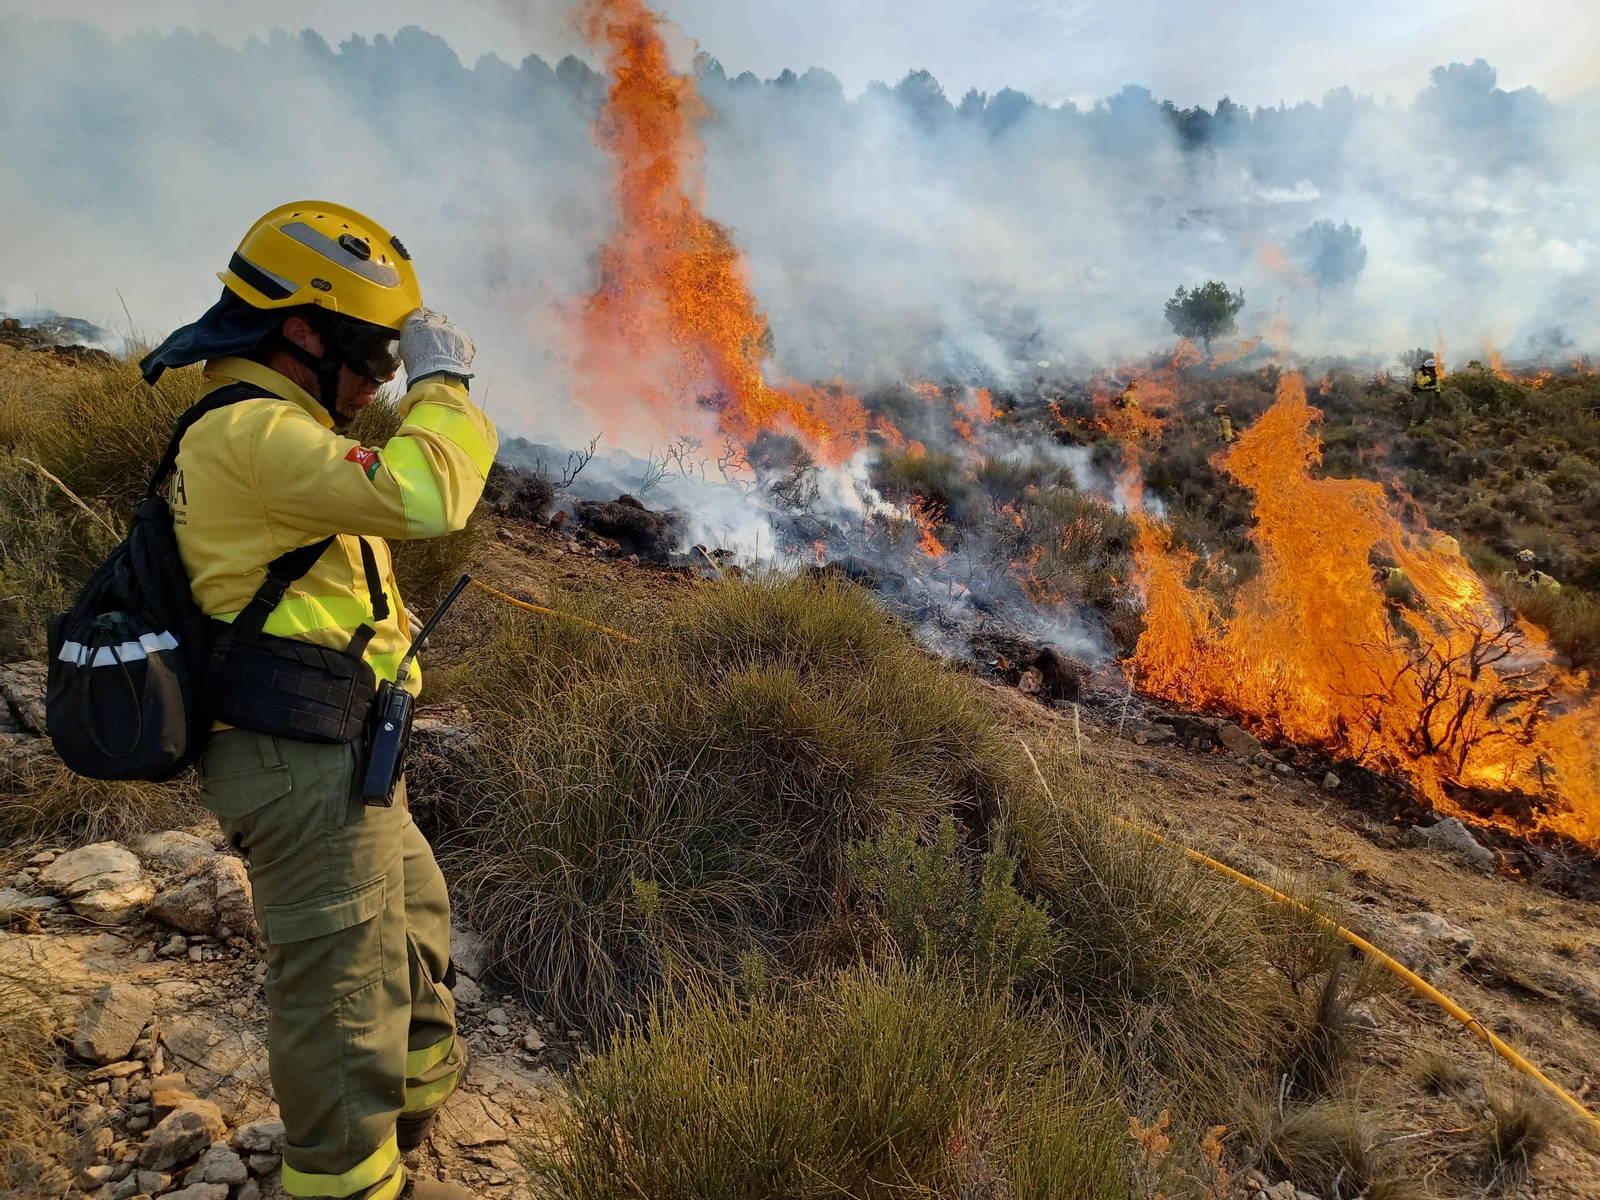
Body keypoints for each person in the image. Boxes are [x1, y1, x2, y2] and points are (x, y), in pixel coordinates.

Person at [140, 202, 498, 1200]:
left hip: (338, 744)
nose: (383, 376)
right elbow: (429, 493)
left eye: (396, 360)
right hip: (295, 758)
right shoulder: (251, 433)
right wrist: (445, 385)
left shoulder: (278, 428)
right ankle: (343, 1177)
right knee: (342, 995)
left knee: (412, 926)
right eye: (374, 351)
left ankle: (414, 1108)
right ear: (301, 330)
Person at [1410, 356, 1441, 425]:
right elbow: (1420, 382)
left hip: (1431, 392)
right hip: (1422, 392)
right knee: (1419, 408)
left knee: (1430, 408)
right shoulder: (1421, 372)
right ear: (1427, 367)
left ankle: (1427, 423)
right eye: (1432, 367)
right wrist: (1428, 378)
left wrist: (1438, 391)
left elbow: (1437, 382)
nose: (1433, 368)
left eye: (1434, 367)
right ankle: (1413, 424)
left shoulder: (1433, 372)